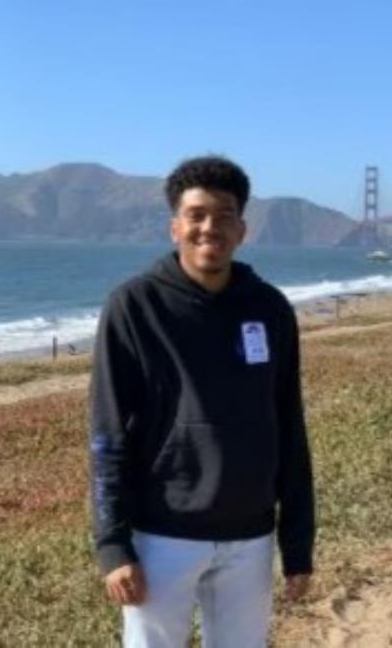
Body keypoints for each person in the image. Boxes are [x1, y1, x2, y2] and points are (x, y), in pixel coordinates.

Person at [89, 155, 315, 648]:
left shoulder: (270, 309)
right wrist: (113, 545)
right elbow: (107, 434)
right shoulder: (133, 307)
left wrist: (297, 546)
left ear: (243, 229)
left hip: (250, 538)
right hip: (160, 536)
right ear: (175, 226)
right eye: (196, 215)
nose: (209, 227)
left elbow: (289, 428)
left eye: (224, 215)